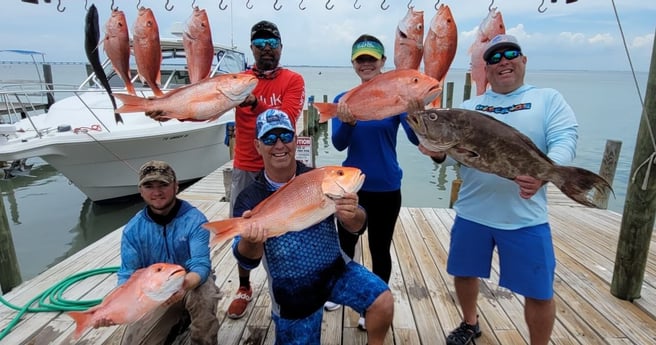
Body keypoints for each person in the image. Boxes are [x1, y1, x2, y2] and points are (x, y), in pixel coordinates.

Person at [420, 34, 578, 345]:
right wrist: (439, 153)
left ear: (523, 60)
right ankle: (469, 322)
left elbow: (565, 139)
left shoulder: (548, 99)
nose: (503, 61)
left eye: (510, 54)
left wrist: (546, 174)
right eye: (493, 58)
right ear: (486, 69)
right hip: (472, 212)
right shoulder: (471, 106)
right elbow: (459, 159)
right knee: (464, 272)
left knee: (539, 290)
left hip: (526, 217)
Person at [232, 109, 394, 344]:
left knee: (383, 300)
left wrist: (352, 215)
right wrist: (251, 240)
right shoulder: (249, 198)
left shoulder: (317, 177)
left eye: (286, 136)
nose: (279, 145)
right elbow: (247, 260)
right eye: (269, 138)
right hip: (292, 292)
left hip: (336, 271)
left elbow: (359, 226)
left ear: (295, 140)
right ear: (257, 146)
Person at [326, 34, 419, 329]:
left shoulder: (396, 99)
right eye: (360, 59)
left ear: (382, 62)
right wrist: (348, 122)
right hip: (350, 187)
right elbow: (339, 144)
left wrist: (413, 111)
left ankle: (373, 304)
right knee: (345, 243)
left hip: (387, 186)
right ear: (354, 63)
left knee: (380, 249)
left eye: (371, 58)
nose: (366, 64)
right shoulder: (344, 99)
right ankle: (341, 291)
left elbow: (417, 138)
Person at [227, 19, 306, 320]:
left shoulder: (293, 80)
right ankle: (244, 286)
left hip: (284, 165)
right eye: (259, 45)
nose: (266, 50)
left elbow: (286, 115)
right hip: (246, 164)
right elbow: (212, 105)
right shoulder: (239, 79)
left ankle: (296, 281)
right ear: (252, 49)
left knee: (293, 223)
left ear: (281, 48)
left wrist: (253, 103)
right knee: (243, 227)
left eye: (271, 44)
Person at [95, 160, 220, 345]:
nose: (157, 192)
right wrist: (109, 306)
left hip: (188, 283)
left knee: (205, 293)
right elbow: (127, 275)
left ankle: (202, 337)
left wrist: (183, 284)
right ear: (140, 190)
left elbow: (201, 265)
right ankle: (179, 321)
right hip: (153, 291)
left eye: (163, 184)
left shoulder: (195, 220)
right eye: (149, 186)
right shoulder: (132, 230)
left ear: (176, 186)